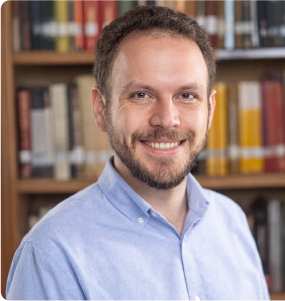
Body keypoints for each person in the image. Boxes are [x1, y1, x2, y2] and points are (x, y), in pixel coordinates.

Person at [6, 6, 269, 300]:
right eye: (141, 95)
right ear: (100, 109)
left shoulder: (232, 222)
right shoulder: (49, 255)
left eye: (186, 95)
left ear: (210, 111)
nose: (167, 119)